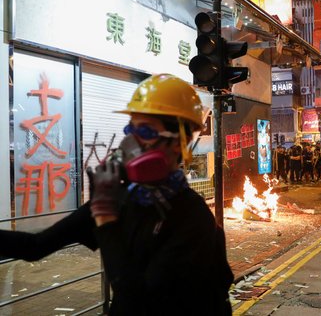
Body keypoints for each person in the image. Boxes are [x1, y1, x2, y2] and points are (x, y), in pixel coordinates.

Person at [0, 74, 234, 315]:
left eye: (145, 130)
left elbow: (140, 300)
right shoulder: (120, 197)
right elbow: (34, 246)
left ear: (179, 141)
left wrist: (106, 222)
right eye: (130, 128)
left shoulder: (193, 217)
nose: (131, 141)